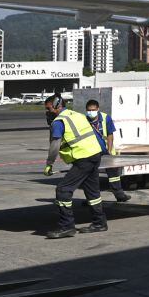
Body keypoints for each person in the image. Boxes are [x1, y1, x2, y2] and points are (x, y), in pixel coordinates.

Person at [42, 95, 107, 238]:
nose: (47, 112)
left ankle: (66, 227)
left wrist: (49, 164)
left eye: (48, 108)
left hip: (83, 158)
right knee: (92, 191)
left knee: (63, 190)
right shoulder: (77, 115)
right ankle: (99, 223)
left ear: (57, 105)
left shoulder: (59, 122)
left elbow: (55, 144)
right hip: (95, 154)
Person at [85, 99, 131, 202]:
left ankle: (119, 195)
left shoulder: (106, 118)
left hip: (106, 150)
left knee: (114, 175)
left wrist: (109, 150)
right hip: (92, 152)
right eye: (89, 110)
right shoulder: (84, 120)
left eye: (93, 110)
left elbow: (110, 134)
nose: (91, 112)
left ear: (98, 109)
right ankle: (93, 198)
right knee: (92, 176)